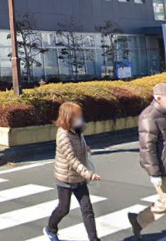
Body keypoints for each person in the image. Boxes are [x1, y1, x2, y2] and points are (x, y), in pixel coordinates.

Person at [129, 82, 166, 241]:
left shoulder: (164, 114)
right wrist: (154, 173)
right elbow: (147, 147)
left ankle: (139, 220)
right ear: (159, 98)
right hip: (159, 168)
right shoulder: (149, 116)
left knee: (165, 201)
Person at [44, 101, 102, 241]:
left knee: (87, 209)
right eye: (78, 116)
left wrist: (85, 149)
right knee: (63, 209)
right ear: (68, 117)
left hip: (79, 178)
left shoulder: (77, 130)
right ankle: (50, 228)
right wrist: (88, 174)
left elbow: (79, 145)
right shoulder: (63, 135)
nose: (81, 118)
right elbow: (71, 159)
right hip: (66, 178)